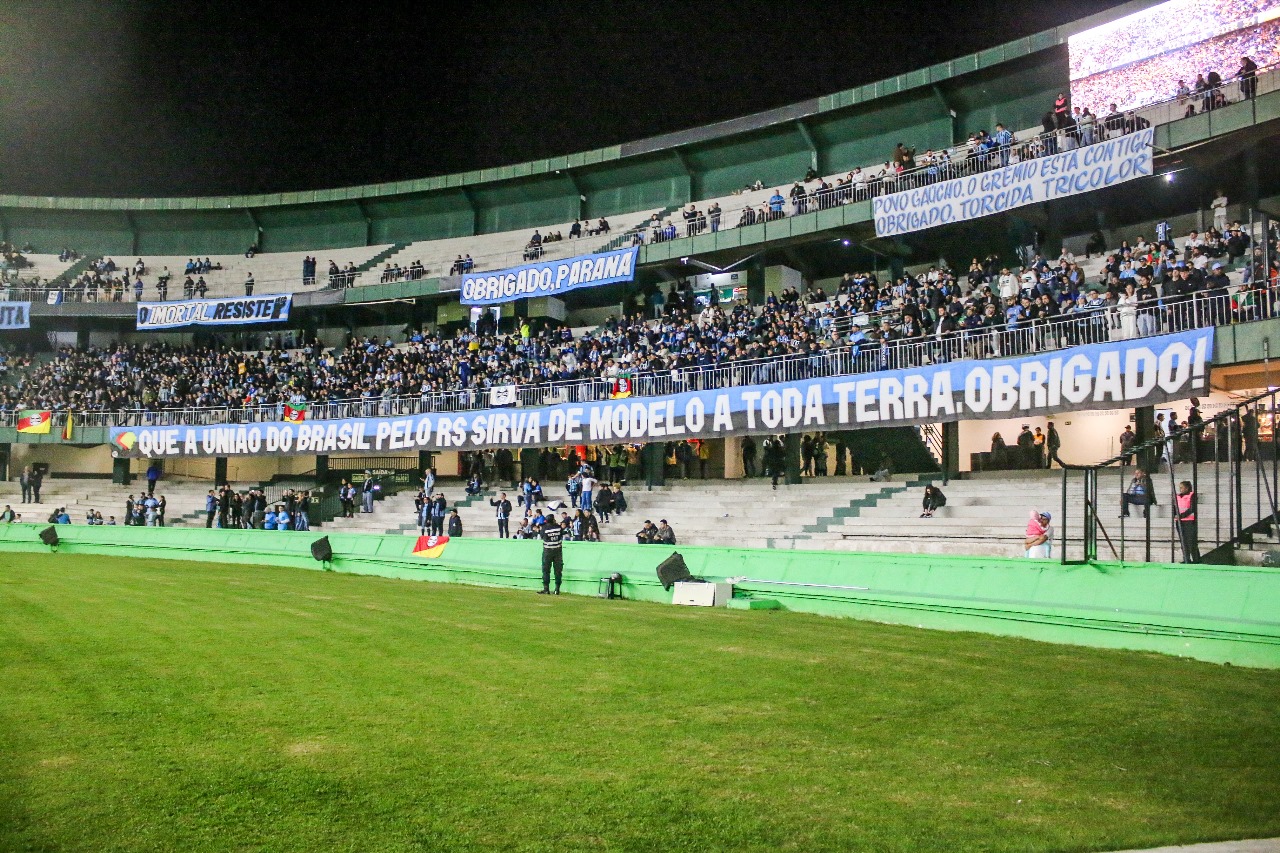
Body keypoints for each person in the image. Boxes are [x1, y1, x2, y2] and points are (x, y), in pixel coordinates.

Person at [538, 512, 565, 595]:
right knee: (558, 570)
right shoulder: (558, 527)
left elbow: (542, 537)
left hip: (547, 551)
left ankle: (546, 589)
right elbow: (561, 535)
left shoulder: (544, 528)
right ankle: (557, 589)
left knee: (546, 570)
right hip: (558, 551)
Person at [1176, 480, 1199, 563]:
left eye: (1182, 487)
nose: (1180, 489)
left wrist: (1182, 515)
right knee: (1183, 541)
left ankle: (1196, 559)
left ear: (1187, 488)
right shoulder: (1177, 496)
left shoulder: (1192, 495)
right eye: (1180, 488)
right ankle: (1186, 559)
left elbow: (1192, 508)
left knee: (1191, 541)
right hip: (1179, 521)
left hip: (1189, 521)